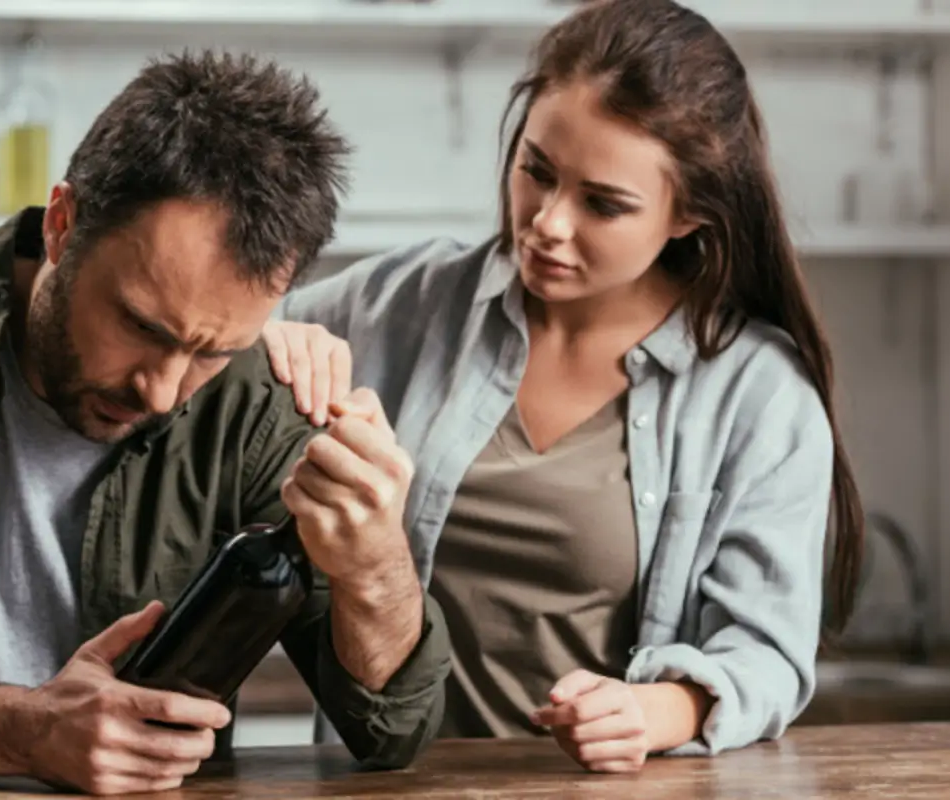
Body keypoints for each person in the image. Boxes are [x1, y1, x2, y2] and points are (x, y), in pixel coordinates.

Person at [0, 50, 451, 796]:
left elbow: (393, 729)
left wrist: (376, 569)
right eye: (142, 325)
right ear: (62, 225)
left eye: (213, 350)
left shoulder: (261, 397)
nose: (165, 390)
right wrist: (27, 733)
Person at [261, 0, 865, 775]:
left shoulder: (758, 394)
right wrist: (269, 332)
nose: (547, 224)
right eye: (536, 171)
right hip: (386, 789)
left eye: (602, 204)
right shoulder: (395, 306)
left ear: (690, 215)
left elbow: (766, 658)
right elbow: (207, 348)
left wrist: (654, 710)